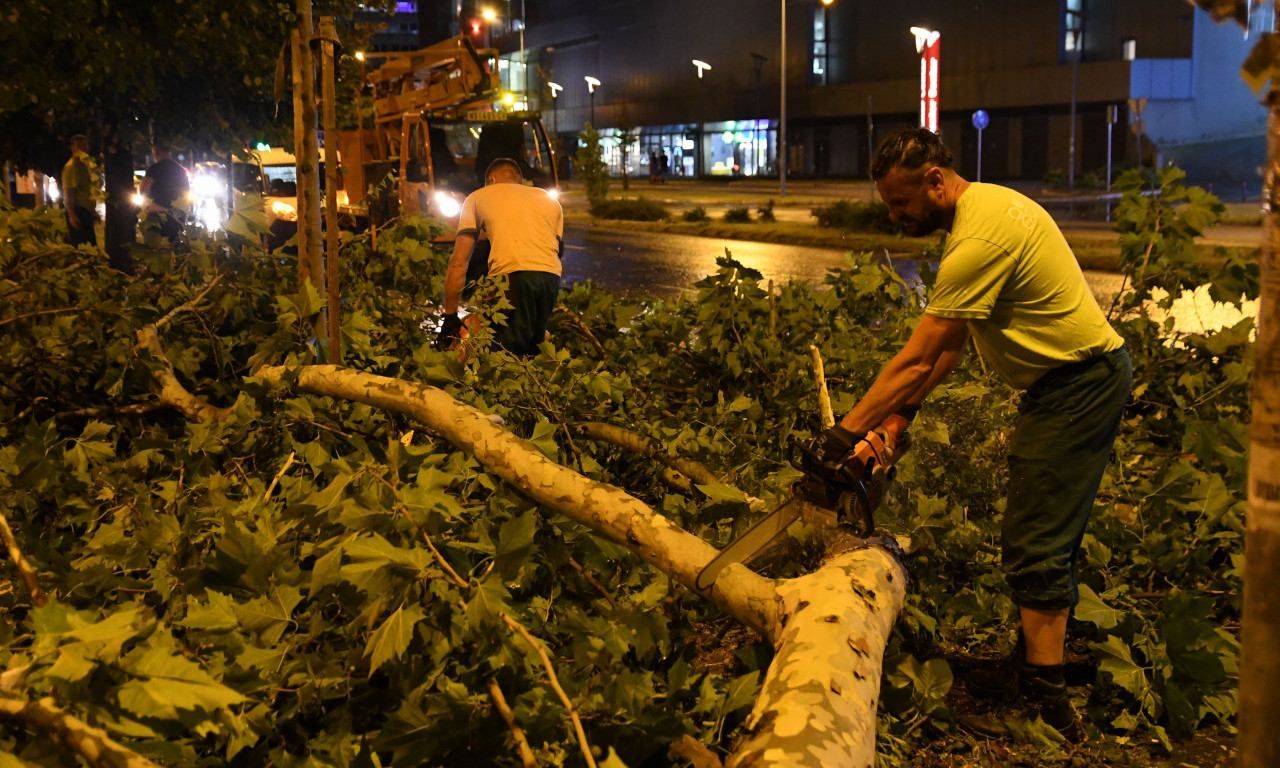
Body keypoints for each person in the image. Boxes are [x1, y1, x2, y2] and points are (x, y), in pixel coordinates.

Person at [803, 128, 1131, 738]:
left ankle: (1046, 705)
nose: (896, 216)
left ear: (933, 180)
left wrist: (843, 435)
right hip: (1066, 384)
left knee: (1037, 537)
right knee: (1041, 526)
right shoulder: (983, 214)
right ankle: (1032, 662)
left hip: (1080, 386)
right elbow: (951, 344)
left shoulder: (979, 237)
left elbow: (918, 358)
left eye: (900, 203)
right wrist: (898, 417)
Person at [437, 158, 564, 357]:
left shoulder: (477, 197)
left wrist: (450, 316)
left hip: (512, 279)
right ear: (519, 180)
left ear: (491, 179)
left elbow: (458, 262)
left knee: (504, 357)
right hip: (551, 278)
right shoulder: (549, 200)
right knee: (535, 354)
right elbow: (555, 249)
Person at [139, 143, 189, 245]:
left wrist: (146, 205)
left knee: (155, 245)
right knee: (173, 245)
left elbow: (144, 189)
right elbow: (186, 193)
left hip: (157, 213)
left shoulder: (154, 169)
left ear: (156, 153)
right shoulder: (180, 170)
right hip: (176, 214)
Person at [61, 134, 97, 247]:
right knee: (80, 248)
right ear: (72, 148)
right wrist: (72, 215)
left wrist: (93, 211)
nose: (82, 149)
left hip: (86, 212)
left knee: (91, 246)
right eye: (79, 146)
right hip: (77, 212)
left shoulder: (87, 166)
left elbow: (87, 191)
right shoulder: (71, 167)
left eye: (85, 146)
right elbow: (68, 192)